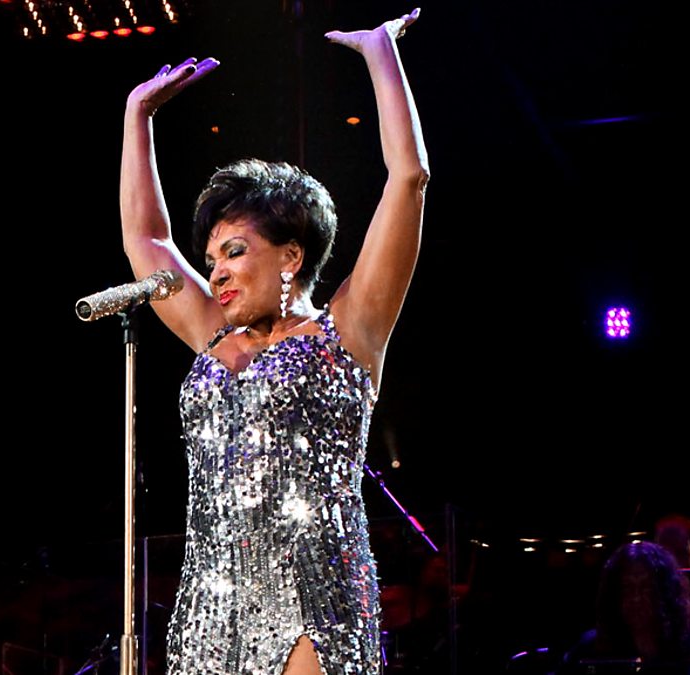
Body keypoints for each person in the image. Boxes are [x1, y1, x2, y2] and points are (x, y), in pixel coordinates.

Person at [118, 8, 429, 674]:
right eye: (211, 259)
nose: (215, 273)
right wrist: (136, 116)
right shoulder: (214, 336)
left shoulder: (349, 330)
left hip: (314, 600)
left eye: (234, 252)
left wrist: (381, 52)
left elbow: (408, 180)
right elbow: (146, 241)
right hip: (210, 605)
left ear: (291, 255)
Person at [557, 541, 690, 675]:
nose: (636, 598)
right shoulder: (588, 649)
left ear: (666, 592)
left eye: (647, 587)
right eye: (627, 588)